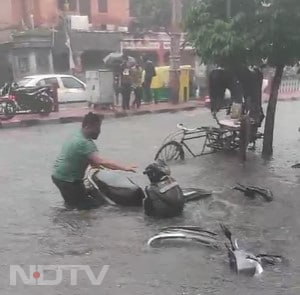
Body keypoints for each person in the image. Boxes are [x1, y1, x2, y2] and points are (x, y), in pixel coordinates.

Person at [51, 112, 137, 210]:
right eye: (97, 128)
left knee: (74, 202)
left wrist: (95, 165)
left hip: (59, 175)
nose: (99, 131)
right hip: (68, 180)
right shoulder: (85, 143)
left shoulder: (76, 134)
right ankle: (73, 221)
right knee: (86, 207)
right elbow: (101, 161)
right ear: (88, 126)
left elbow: (88, 159)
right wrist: (125, 168)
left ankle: (69, 211)